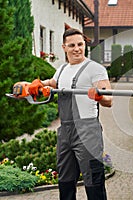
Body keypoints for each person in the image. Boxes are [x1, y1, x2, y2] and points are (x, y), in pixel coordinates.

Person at [28, 28, 112, 200]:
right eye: (72, 45)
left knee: (93, 181)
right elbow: (52, 83)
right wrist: (36, 85)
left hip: (87, 132)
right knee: (65, 181)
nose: (77, 49)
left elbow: (109, 100)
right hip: (65, 131)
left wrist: (100, 95)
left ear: (84, 45)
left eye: (80, 44)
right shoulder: (62, 69)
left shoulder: (95, 69)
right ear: (64, 47)